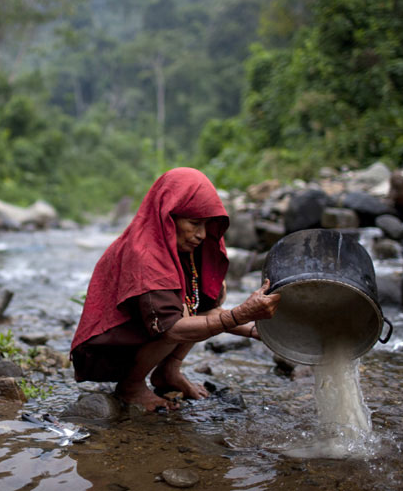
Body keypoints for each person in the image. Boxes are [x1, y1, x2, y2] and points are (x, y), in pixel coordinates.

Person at [70, 167, 281, 411]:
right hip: (108, 348)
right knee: (177, 319)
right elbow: (170, 329)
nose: (202, 235)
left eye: (206, 225)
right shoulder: (146, 254)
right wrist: (241, 314)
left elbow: (206, 311)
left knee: (197, 300)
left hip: (151, 331)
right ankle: (131, 386)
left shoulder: (186, 250)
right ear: (168, 216)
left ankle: (168, 371)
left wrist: (256, 329)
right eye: (194, 223)